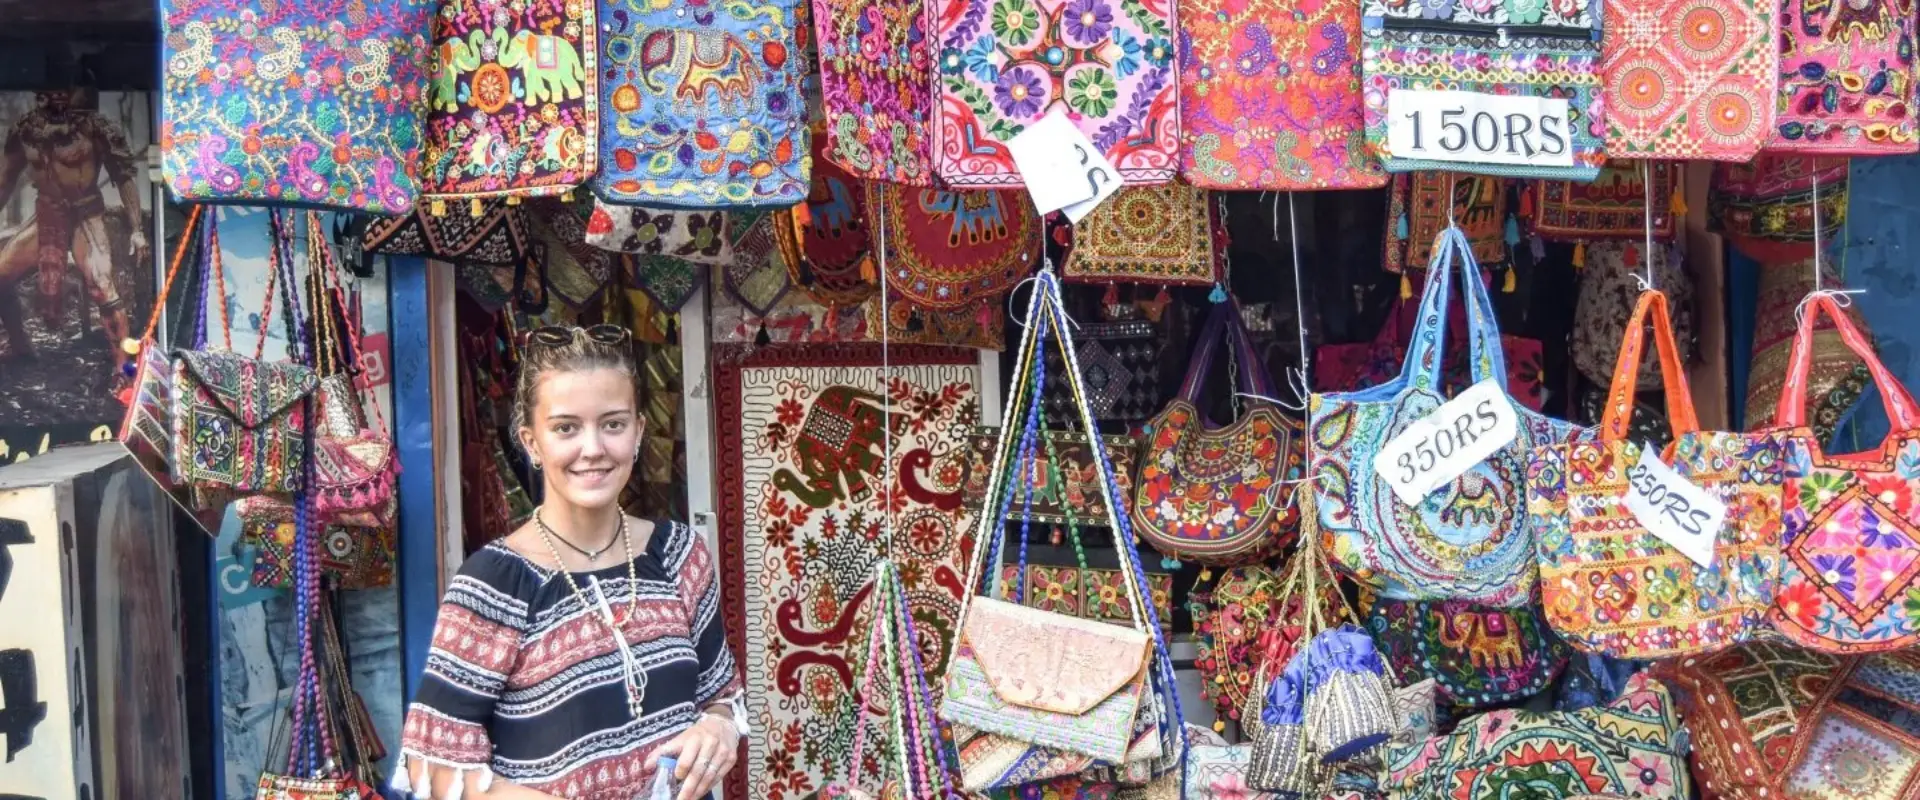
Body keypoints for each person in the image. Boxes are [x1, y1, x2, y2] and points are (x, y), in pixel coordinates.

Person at [394, 324, 745, 800]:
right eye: (566, 428)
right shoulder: (495, 585)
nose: (593, 449)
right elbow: (430, 768)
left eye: (613, 424)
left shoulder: (680, 555)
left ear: (639, 431)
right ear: (532, 442)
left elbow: (721, 696)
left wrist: (720, 728)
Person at [0, 88, 149, 371]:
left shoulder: (96, 128)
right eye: (50, 89)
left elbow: (124, 176)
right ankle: (21, 348)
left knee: (102, 286)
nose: (57, 96)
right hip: (47, 214)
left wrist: (137, 230)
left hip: (85, 215)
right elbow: (5, 180)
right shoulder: (26, 131)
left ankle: (123, 368)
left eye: (64, 89)